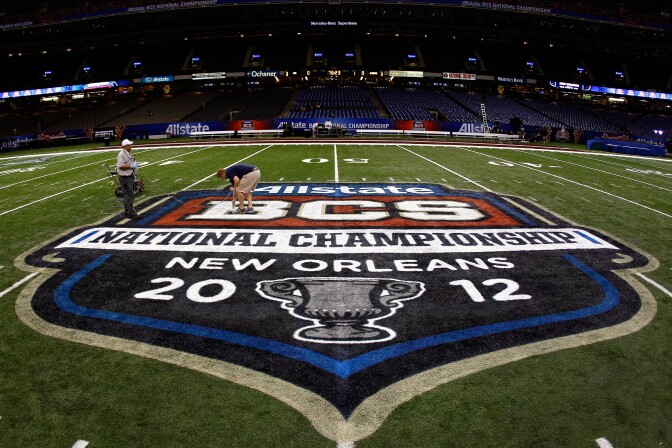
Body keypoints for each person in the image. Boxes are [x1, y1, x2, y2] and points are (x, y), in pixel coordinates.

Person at [116, 139, 138, 219]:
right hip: (126, 177)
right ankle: (130, 212)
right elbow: (121, 165)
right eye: (129, 145)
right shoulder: (121, 154)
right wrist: (131, 166)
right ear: (125, 146)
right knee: (129, 195)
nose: (131, 146)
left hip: (128, 176)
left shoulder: (126, 153)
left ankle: (128, 211)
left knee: (128, 195)